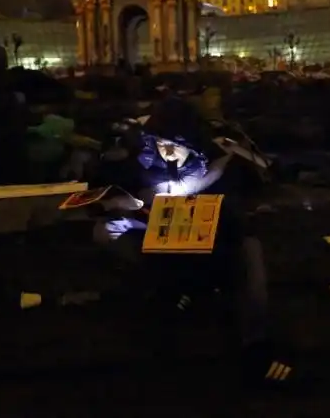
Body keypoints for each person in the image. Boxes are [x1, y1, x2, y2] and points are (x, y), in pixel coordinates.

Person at [90, 97, 295, 386]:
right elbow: (109, 191)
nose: (169, 152)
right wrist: (120, 190)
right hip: (153, 237)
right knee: (107, 231)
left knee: (249, 250)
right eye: (162, 143)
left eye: (177, 144)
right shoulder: (137, 155)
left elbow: (252, 187)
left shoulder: (215, 156)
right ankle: (169, 298)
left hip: (212, 240)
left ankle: (255, 342)